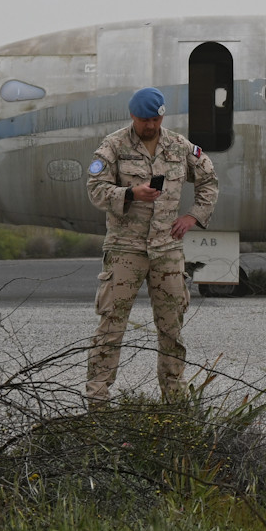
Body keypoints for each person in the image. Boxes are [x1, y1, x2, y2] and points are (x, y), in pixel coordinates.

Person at [84, 87, 219, 405]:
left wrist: (193, 217)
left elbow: (208, 179)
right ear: (133, 116)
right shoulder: (114, 145)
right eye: (146, 120)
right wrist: (130, 194)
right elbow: (95, 189)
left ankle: (174, 402)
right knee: (111, 327)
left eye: (157, 119)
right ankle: (98, 401)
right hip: (125, 249)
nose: (152, 126)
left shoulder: (178, 145)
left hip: (167, 249)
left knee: (171, 328)